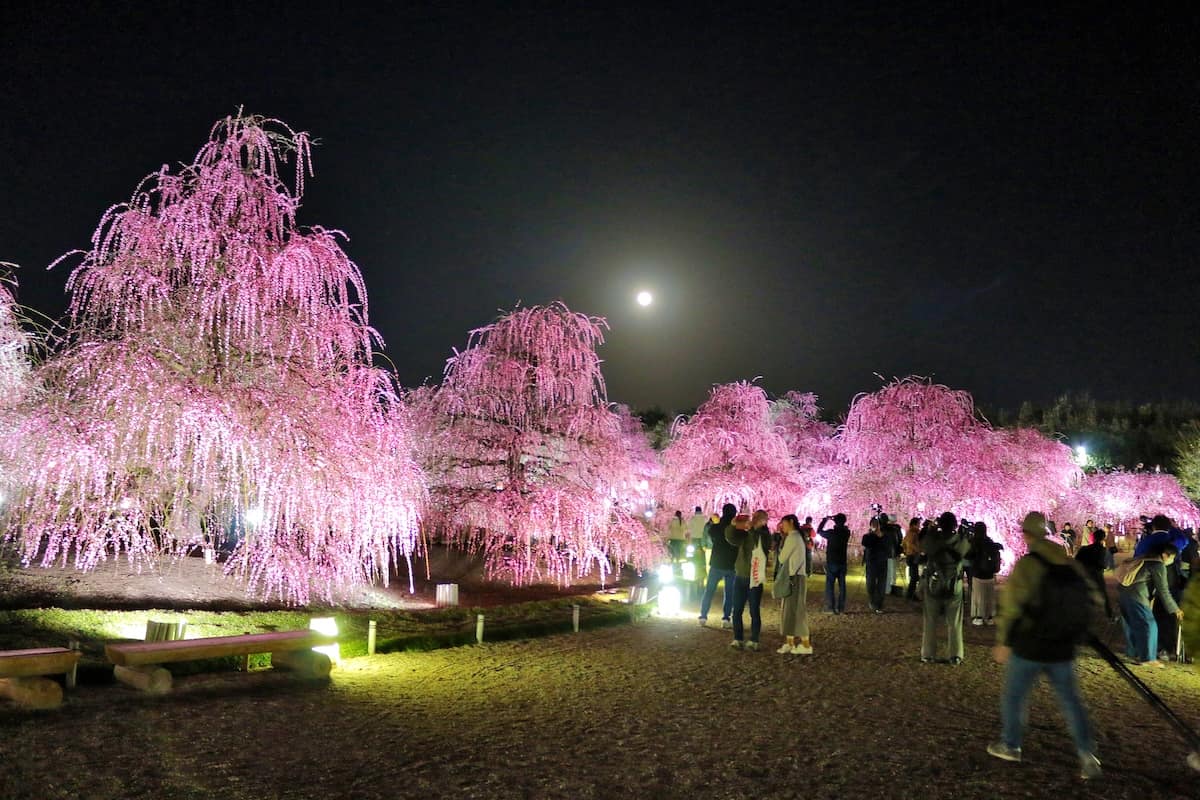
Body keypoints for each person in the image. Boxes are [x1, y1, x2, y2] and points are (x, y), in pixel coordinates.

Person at [988, 511, 1103, 781]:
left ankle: (1011, 744)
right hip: (1062, 646)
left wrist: (1004, 641)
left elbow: (1012, 606)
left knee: (1015, 697)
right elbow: (1093, 596)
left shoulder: (1028, 564)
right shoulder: (1067, 560)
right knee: (1071, 701)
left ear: (1026, 535)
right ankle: (1087, 753)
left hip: (1030, 644)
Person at [1117, 541, 1184, 667]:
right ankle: (1148, 658)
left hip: (1124, 594)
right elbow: (1163, 590)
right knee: (1149, 625)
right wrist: (1175, 609)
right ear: (1165, 555)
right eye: (1172, 557)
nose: (1172, 560)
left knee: (1133, 625)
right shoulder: (1158, 565)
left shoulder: (1144, 559)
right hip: (1137, 597)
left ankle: (1134, 653)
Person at [920, 511, 971, 664]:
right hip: (954, 584)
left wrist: (931, 530)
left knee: (930, 621)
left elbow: (922, 544)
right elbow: (967, 552)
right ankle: (955, 654)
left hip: (933, 583)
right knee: (954, 622)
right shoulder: (961, 541)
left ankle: (928, 654)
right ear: (955, 525)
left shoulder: (932, 541)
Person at [726, 510, 772, 650]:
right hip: (741, 575)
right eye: (755, 517)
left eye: (759, 518)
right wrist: (732, 526)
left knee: (754, 610)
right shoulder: (746, 534)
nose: (755, 520)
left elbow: (759, 541)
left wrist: (751, 528)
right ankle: (738, 638)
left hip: (755, 577)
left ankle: (754, 640)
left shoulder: (764, 535)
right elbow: (731, 538)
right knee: (737, 610)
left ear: (764, 521)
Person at [775, 514, 813, 654]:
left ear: (791, 522)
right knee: (791, 611)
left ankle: (806, 645)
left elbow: (782, 557)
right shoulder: (798, 537)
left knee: (795, 611)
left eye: (783, 523)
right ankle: (790, 643)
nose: (782, 526)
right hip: (796, 577)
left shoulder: (792, 538)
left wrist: (782, 542)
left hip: (794, 578)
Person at [698, 504, 738, 628]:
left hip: (716, 562)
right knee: (730, 592)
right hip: (731, 564)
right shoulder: (736, 528)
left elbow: (711, 537)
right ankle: (726, 618)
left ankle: (703, 616)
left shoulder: (715, 527)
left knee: (709, 590)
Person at [968, 521, 1003, 626]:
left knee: (978, 596)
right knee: (989, 596)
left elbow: (968, 556)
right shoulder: (991, 542)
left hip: (978, 573)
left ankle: (979, 617)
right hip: (990, 575)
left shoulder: (974, 542)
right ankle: (989, 617)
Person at [1074, 526, 1113, 619]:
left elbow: (1076, 560)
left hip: (1084, 573)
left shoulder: (1084, 549)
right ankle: (1109, 614)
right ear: (1103, 538)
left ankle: (1080, 614)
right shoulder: (1103, 550)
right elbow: (1104, 565)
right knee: (1103, 594)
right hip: (1096, 574)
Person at [818, 513, 851, 614]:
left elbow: (819, 531)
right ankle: (841, 608)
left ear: (835, 522)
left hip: (832, 561)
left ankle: (830, 607)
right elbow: (844, 528)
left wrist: (825, 520)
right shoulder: (846, 533)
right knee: (842, 586)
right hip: (842, 562)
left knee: (830, 585)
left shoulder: (831, 533)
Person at [862, 515, 892, 613]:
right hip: (871, 563)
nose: (874, 526)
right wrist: (873, 535)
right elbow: (865, 543)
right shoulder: (867, 536)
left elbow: (888, 548)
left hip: (882, 562)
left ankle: (879, 605)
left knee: (881, 585)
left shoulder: (886, 536)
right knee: (870, 584)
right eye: (873, 525)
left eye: (876, 525)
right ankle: (873, 602)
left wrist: (880, 536)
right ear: (870, 526)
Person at [902, 516, 922, 601]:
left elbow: (904, 543)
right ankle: (910, 595)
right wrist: (919, 550)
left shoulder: (912, 532)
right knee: (914, 577)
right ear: (914, 524)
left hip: (911, 555)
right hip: (912, 555)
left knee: (914, 576)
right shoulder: (912, 533)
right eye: (918, 524)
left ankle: (911, 594)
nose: (919, 526)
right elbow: (910, 544)